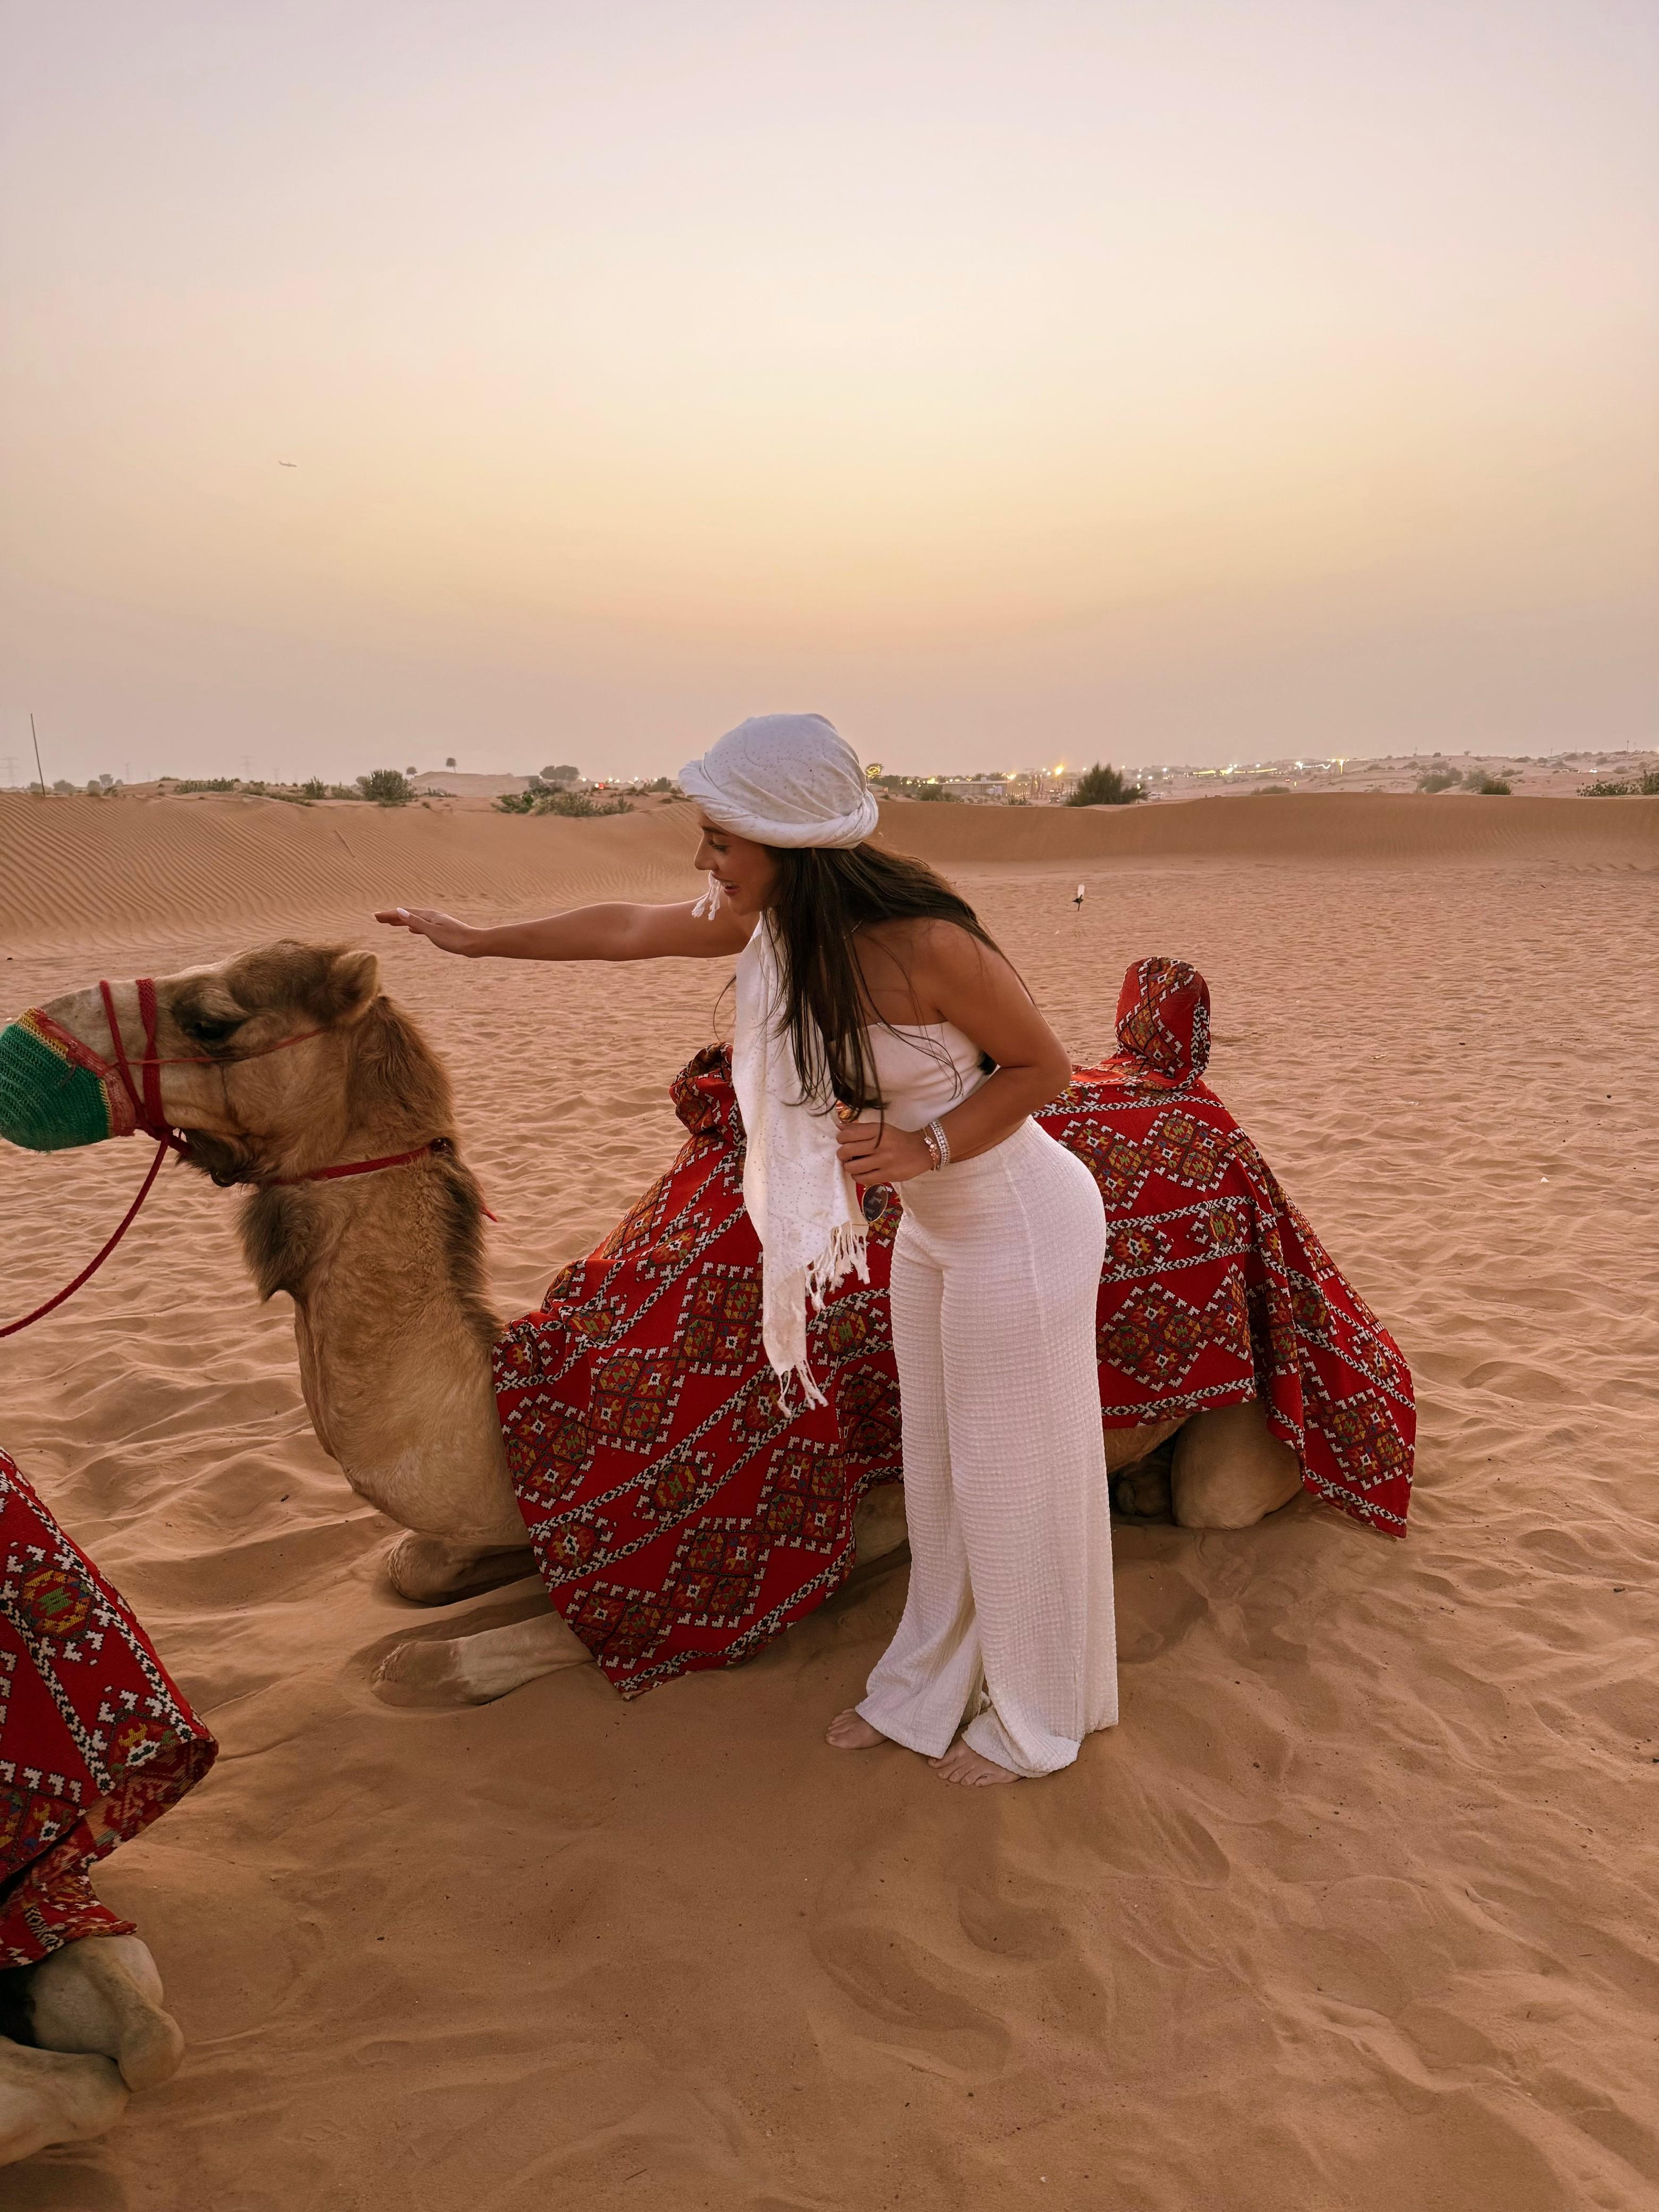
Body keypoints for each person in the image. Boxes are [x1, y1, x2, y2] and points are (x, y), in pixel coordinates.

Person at [375, 713, 1115, 1786]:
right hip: (941, 1237)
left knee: (1008, 1471)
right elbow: (628, 927)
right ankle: (933, 1683)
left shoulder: (928, 946)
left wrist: (925, 1143)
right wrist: (478, 939)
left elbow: (1042, 1069)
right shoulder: (778, 936)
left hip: (1025, 1227)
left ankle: (1033, 1715)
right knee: (944, 1473)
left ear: (788, 845)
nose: (703, 860)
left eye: (721, 839)